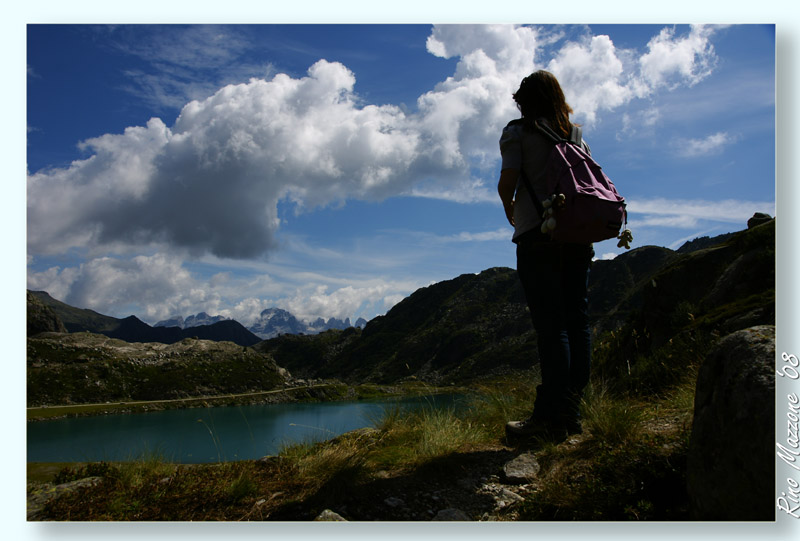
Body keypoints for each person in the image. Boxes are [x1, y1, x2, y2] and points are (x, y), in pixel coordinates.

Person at [497, 70, 594, 440]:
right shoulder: (576, 136)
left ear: (524, 102)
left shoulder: (518, 132)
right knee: (577, 322)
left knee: (551, 327)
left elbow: (508, 181)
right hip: (577, 238)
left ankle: (548, 419)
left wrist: (508, 205)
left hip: (538, 237)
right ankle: (571, 413)